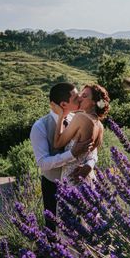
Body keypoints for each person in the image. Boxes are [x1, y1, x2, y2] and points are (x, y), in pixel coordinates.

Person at [30, 82, 96, 231]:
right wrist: (72, 154)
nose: (80, 99)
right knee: (55, 230)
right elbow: (43, 163)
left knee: (85, 228)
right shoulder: (39, 126)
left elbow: (92, 149)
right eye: (75, 98)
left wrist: (89, 164)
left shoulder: (78, 119)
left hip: (80, 183)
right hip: (53, 186)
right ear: (63, 104)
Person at [52, 83, 110, 184]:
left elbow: (57, 144)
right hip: (88, 179)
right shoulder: (100, 126)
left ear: (93, 102)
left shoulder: (80, 117)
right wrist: (88, 165)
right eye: (80, 95)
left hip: (72, 179)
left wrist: (61, 115)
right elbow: (91, 155)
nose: (79, 98)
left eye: (84, 96)